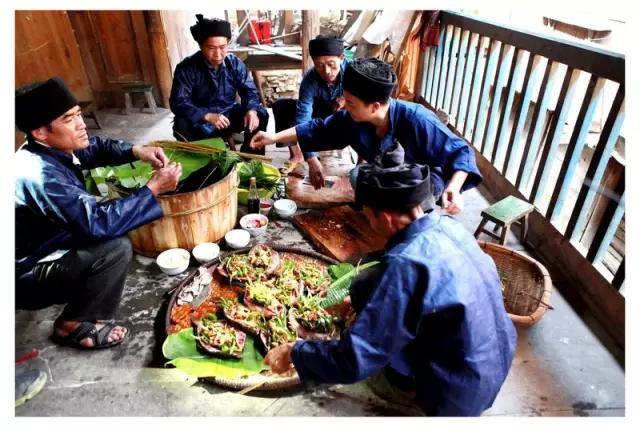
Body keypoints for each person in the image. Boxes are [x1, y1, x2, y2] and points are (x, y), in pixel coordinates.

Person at [264, 142, 517, 416]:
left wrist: (296, 352)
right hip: (494, 364)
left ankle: (410, 397)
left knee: (374, 376)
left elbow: (355, 359)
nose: (365, 220)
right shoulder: (449, 226)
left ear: (384, 217)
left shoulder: (406, 264)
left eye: (366, 215)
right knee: (369, 288)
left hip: (456, 392)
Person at [15, 77, 182, 349]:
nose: (81, 125)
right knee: (114, 247)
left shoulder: (51, 150)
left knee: (110, 223)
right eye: (68, 119)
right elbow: (98, 224)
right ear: (40, 132)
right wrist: (152, 189)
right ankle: (72, 323)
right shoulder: (41, 175)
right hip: (26, 273)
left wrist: (137, 150)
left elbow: (95, 147)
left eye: (79, 114)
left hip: (53, 244)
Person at [251, 57, 481, 215]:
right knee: (358, 175)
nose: (344, 106)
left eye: (350, 103)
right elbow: (315, 128)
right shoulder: (352, 118)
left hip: (420, 181)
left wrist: (454, 188)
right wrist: (272, 138)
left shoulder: (417, 119)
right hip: (385, 174)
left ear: (375, 106)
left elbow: (461, 151)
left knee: (406, 213)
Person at [170, 14, 268, 155]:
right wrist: (207, 115)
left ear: (228, 44)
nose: (218, 54)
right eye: (211, 48)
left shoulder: (234, 63)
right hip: (201, 118)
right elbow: (178, 102)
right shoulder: (187, 67)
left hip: (228, 113)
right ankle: (201, 160)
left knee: (261, 113)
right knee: (181, 124)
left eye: (222, 47)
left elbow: (249, 91)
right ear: (201, 46)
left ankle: (250, 157)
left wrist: (251, 109)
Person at [286, 35, 349, 186]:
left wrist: (348, 99)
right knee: (285, 107)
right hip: (319, 115)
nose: (326, 71)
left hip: (344, 120)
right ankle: (298, 155)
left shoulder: (354, 73)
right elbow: (303, 118)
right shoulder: (310, 80)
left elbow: (369, 103)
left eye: (331, 64)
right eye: (319, 65)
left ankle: (362, 162)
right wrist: (312, 159)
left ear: (341, 57)